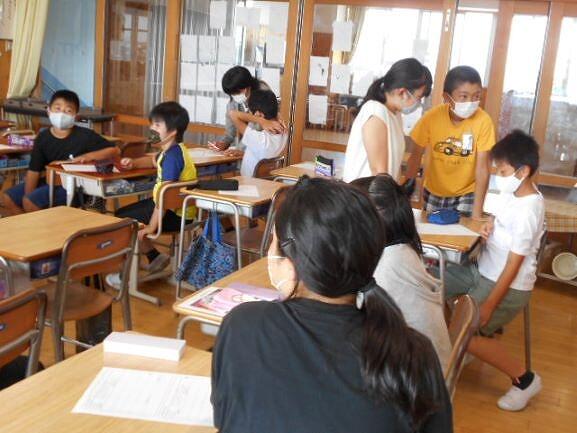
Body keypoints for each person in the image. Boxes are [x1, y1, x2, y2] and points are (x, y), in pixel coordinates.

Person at [212, 177, 452, 433]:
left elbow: (227, 419)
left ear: (291, 261)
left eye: (273, 240)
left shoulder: (243, 325)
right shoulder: (415, 354)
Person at [444, 130, 544, 411]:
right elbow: (499, 217)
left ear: (523, 171)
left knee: (465, 331)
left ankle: (525, 379)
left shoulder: (529, 209)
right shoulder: (515, 194)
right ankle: (467, 342)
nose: (498, 176)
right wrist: (490, 224)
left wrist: (489, 305)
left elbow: (514, 264)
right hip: (482, 270)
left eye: (502, 171)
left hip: (508, 285)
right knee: (432, 284)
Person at [352, 174, 452, 372]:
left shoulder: (386, 269)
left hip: (414, 381)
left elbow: (354, 329)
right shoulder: (401, 251)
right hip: (426, 372)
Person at [110, 102, 197, 275]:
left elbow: (166, 197)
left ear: (172, 131)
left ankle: (127, 276)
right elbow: (153, 160)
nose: (152, 129)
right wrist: (133, 163)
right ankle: (154, 257)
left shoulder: (172, 158)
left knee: (122, 220)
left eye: (157, 125)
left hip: (174, 214)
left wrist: (151, 227)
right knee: (123, 214)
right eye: (152, 124)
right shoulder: (173, 150)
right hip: (177, 209)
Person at [1, 90, 118, 214]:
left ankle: (48, 225)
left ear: (76, 116)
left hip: (76, 186)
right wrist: (28, 195)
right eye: (57, 109)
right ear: (49, 111)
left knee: (30, 202)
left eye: (68, 111)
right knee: (8, 198)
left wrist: (87, 156)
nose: (62, 114)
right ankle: (30, 224)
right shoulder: (43, 137)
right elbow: (34, 171)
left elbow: (114, 150)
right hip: (49, 180)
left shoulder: (85, 136)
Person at [405, 66, 495, 218]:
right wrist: (405, 194)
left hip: (467, 192)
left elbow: (482, 169)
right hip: (434, 190)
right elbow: (415, 157)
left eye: (476, 96)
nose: (471, 102)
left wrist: (477, 213)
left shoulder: (483, 121)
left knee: (461, 229)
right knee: (433, 228)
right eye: (464, 96)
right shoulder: (431, 118)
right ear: (447, 97)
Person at [342, 58, 432, 183]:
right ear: (402, 92)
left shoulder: (395, 114)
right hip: (365, 193)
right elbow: (379, 173)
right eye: (418, 97)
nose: (418, 103)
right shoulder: (376, 112)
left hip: (383, 190)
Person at [223, 89, 287, 177]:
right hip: (265, 182)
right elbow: (263, 157)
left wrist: (261, 120)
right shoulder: (283, 133)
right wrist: (244, 153)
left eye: (251, 112)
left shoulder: (259, 138)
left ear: (258, 114)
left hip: (248, 182)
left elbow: (232, 114)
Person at [209, 66, 270, 151]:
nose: (234, 96)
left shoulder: (262, 96)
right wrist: (223, 144)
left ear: (247, 87)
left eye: (236, 92)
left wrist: (238, 150)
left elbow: (254, 130)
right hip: (248, 148)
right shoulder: (233, 102)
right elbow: (230, 132)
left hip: (265, 146)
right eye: (231, 94)